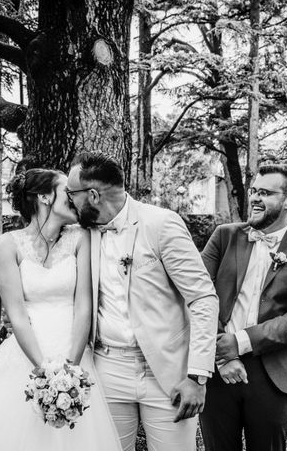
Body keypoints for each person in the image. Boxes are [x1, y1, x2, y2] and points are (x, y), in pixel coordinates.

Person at [0, 168, 122, 451]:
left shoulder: (80, 238)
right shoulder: (9, 244)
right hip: (26, 357)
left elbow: (84, 305)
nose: (74, 198)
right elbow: (17, 315)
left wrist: (70, 371)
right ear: (45, 197)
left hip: (74, 355)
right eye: (66, 192)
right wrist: (44, 373)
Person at [67, 151, 219, 451]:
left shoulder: (161, 224)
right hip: (107, 367)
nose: (69, 201)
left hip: (167, 371)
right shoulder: (82, 234)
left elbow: (203, 298)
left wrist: (198, 376)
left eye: (72, 194)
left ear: (93, 195)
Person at [199, 163, 287, 451]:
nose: (254, 198)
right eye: (254, 191)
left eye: (265, 193)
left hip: (274, 375)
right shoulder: (224, 236)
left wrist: (239, 343)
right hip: (217, 370)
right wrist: (222, 353)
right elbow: (197, 296)